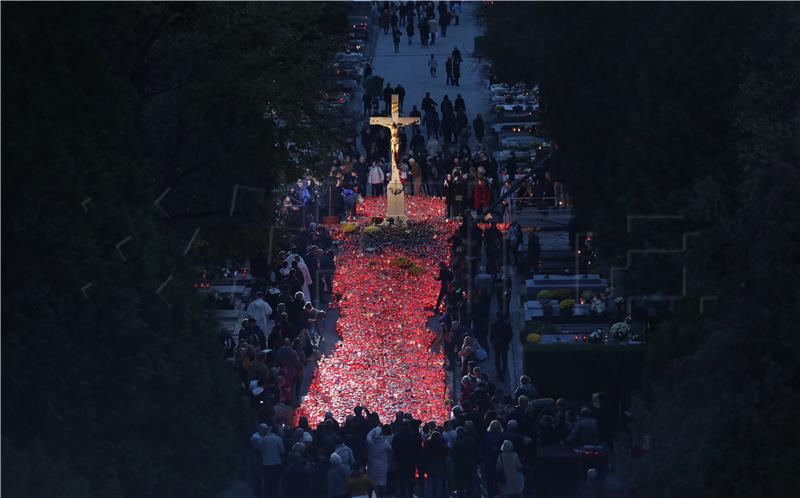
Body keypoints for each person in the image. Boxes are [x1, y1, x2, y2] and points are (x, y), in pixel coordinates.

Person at [251, 424, 284, 498]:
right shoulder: (278, 439)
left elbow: (260, 450)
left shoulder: (264, 439)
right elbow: (282, 451)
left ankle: (267, 495)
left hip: (265, 463)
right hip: (276, 463)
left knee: (267, 481)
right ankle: (274, 495)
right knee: (275, 481)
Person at [367, 425, 392, 498]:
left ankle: (375, 495)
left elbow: (369, 434)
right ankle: (381, 496)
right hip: (383, 466)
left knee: (374, 483)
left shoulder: (370, 442)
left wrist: (375, 429)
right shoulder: (385, 443)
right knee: (383, 482)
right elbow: (390, 449)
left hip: (372, 466)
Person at [490, 312, 512, 378]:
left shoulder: (494, 325)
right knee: (504, 360)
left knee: (497, 360)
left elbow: (491, 336)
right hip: (505, 344)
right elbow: (510, 335)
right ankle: (503, 374)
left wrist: (493, 343)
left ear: (497, 317)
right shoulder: (507, 325)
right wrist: (507, 342)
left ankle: (499, 373)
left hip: (497, 345)